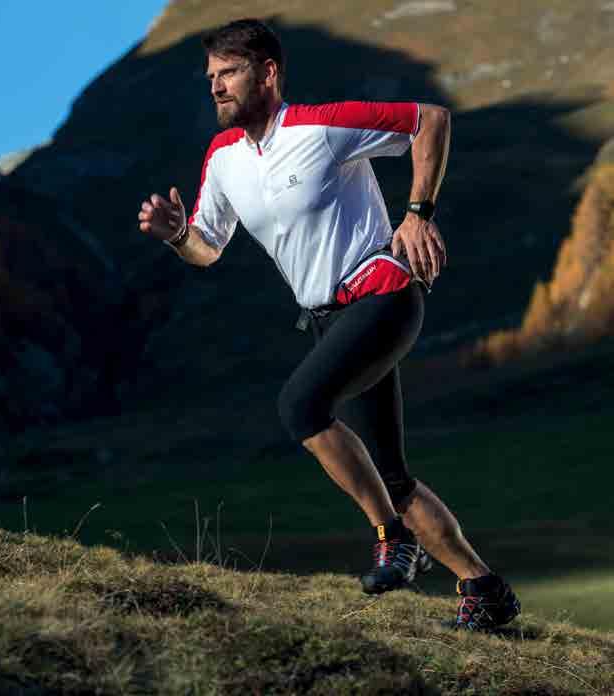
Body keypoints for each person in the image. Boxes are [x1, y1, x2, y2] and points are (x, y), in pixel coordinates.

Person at [137, 18, 520, 631]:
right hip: (326, 319)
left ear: (267, 73)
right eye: (210, 77)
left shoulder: (321, 126)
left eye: (228, 73)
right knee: (393, 479)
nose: (216, 87)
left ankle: (393, 539)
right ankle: (486, 589)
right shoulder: (223, 158)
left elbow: (430, 120)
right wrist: (178, 234)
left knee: (300, 407)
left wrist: (417, 213)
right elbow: (207, 249)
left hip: (383, 294)